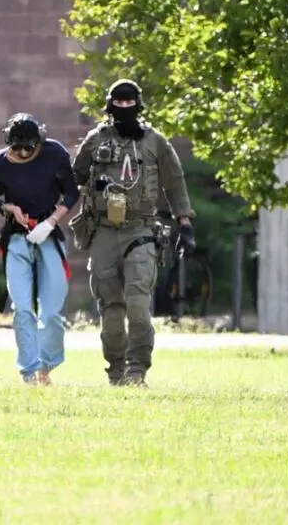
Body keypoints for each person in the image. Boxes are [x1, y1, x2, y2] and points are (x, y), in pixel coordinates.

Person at [70, 79, 196, 387]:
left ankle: (137, 368)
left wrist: (185, 224)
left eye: (129, 104)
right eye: (118, 103)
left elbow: (175, 182)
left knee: (138, 304)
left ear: (138, 106)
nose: (123, 109)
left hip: (140, 228)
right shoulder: (95, 139)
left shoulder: (155, 142)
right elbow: (73, 176)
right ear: (110, 106)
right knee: (110, 309)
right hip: (103, 230)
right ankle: (116, 370)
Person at [0, 113, 79, 385]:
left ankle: (46, 366)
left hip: (48, 233)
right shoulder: (0, 162)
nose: (22, 153)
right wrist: (7, 208)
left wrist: (50, 222)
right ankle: (29, 371)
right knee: (22, 308)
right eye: (16, 147)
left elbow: (72, 193)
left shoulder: (54, 153)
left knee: (51, 311)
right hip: (17, 237)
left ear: (39, 142)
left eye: (29, 147)